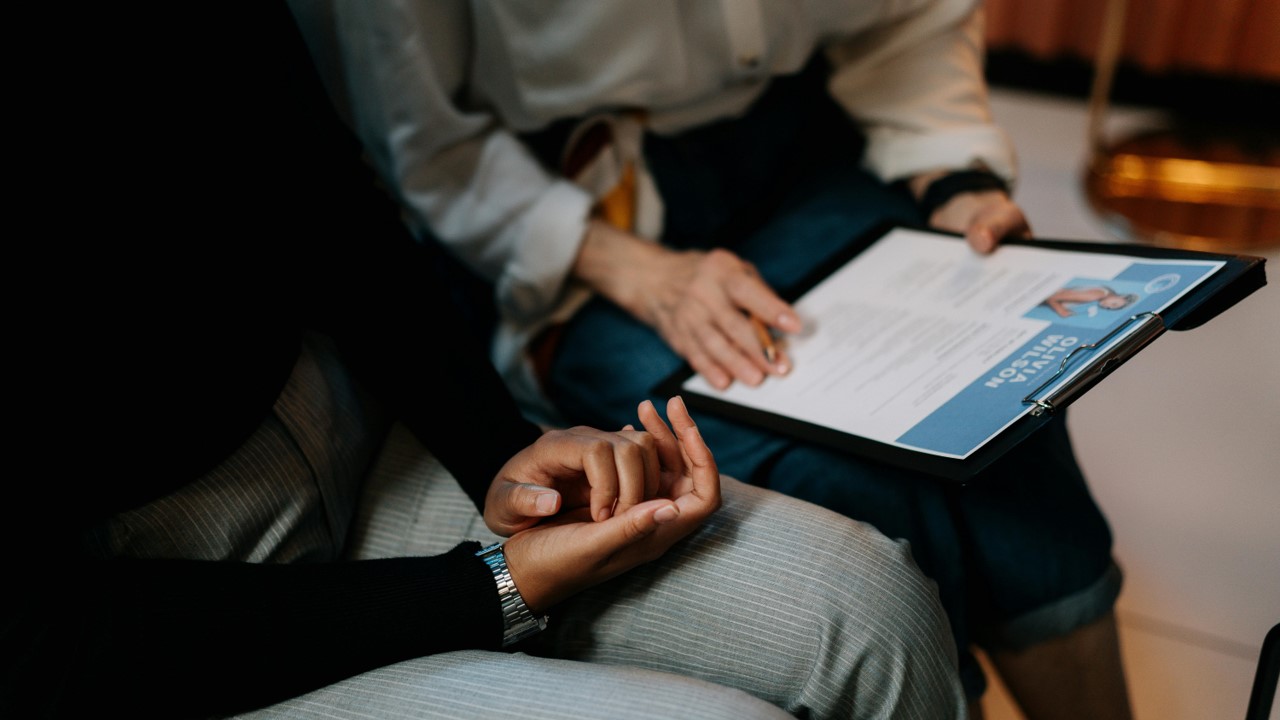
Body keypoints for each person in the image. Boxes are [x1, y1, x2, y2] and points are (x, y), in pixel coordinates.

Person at [1, 5, 969, 719]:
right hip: (142, 615)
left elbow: (326, 194)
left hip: (357, 425)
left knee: (877, 605)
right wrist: (492, 588)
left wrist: (501, 449)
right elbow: (45, 647)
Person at [285, 2, 1135, 717]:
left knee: (999, 418)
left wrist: (958, 180)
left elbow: (907, 18)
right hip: (567, 210)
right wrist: (641, 273)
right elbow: (423, 141)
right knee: (838, 480)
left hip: (794, 145)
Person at [1044, 286, 1140, 317]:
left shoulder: (1100, 294)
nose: (1108, 306)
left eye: (1111, 308)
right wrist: (1062, 311)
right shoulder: (1095, 295)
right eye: (1114, 304)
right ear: (1121, 296)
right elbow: (1051, 298)